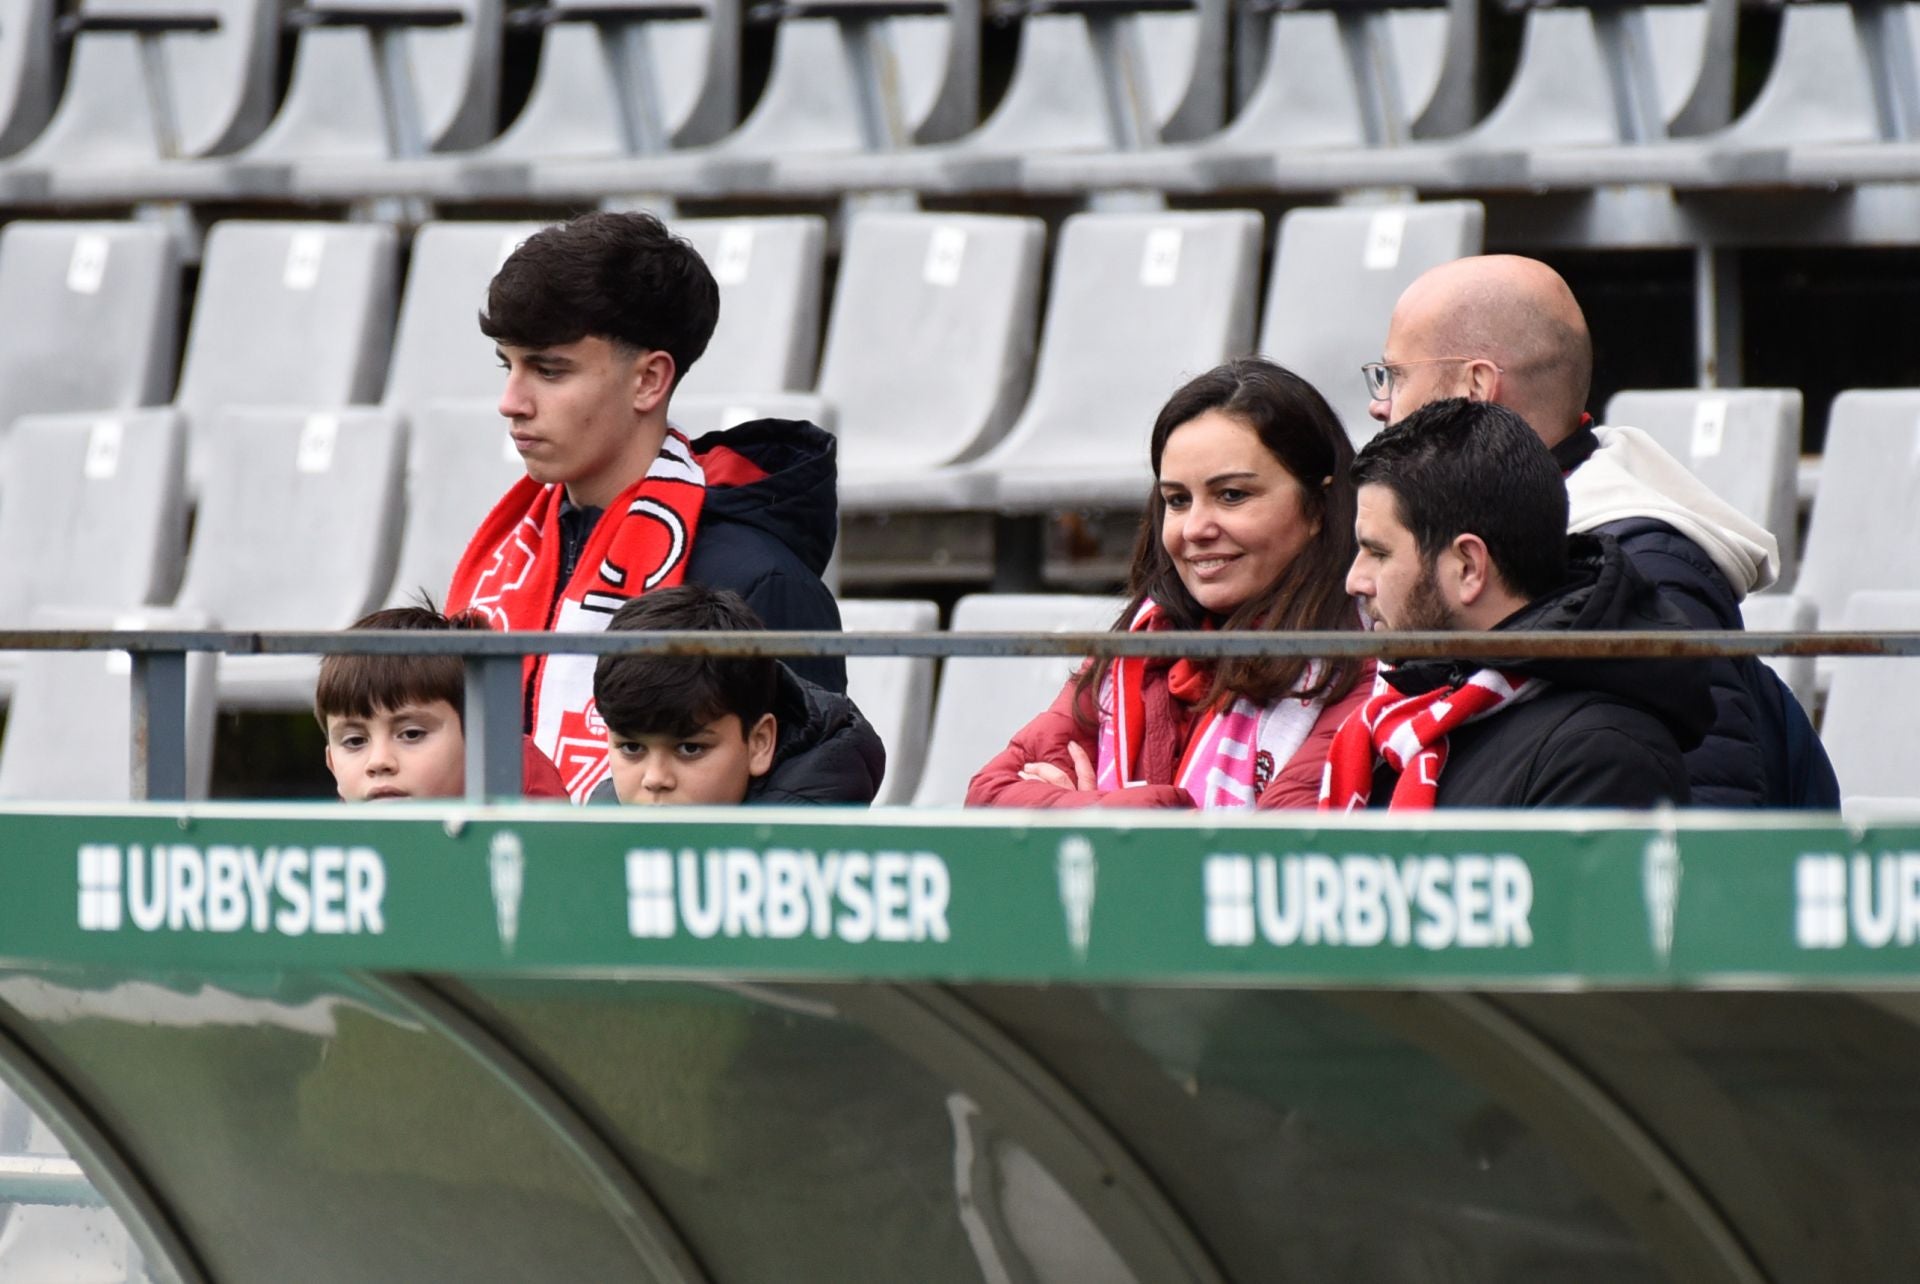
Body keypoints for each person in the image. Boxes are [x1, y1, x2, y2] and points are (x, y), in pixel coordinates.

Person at [1365, 252, 1838, 808]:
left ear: (1475, 387)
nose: (1378, 406)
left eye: (1394, 376)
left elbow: (1708, 821)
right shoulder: (1500, 538)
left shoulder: (1647, 570)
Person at [442, 211, 844, 803]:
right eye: (509, 366)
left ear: (649, 381)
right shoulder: (510, 553)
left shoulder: (759, 580)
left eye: (549, 371)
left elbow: (804, 810)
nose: (511, 401)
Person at [968, 359, 1370, 810]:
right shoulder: (1140, 646)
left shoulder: (1366, 663)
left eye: (1232, 495)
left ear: (1318, 507)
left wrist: (1102, 809)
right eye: (1177, 500)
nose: (1194, 528)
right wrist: (1118, 812)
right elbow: (989, 797)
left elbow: (1276, 845)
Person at [1326, 398, 1714, 809]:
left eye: (1379, 552)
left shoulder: (1602, 756)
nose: (1355, 581)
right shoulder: (1402, 725)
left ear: (1468, 567)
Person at [590, 586, 884, 806]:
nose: (655, 779)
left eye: (690, 749)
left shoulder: (806, 850)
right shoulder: (601, 818)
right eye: (631, 747)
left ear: (760, 743)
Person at [317, 604, 567, 802]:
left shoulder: (528, 814)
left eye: (412, 734)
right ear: (331, 765)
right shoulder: (328, 844)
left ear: (481, 747)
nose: (379, 762)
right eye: (354, 741)